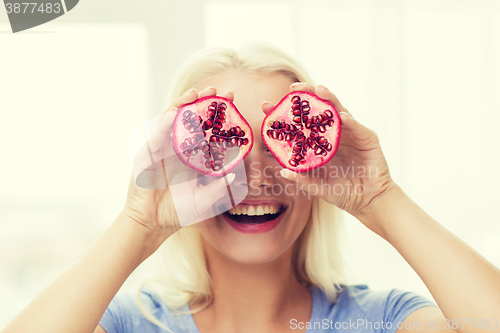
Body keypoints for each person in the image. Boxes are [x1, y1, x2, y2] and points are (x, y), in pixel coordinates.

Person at [2, 43, 499, 333]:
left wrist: (381, 198)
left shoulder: (381, 320)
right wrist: (138, 223)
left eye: (280, 144)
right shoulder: (132, 323)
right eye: (222, 147)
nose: (256, 175)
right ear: (178, 165)